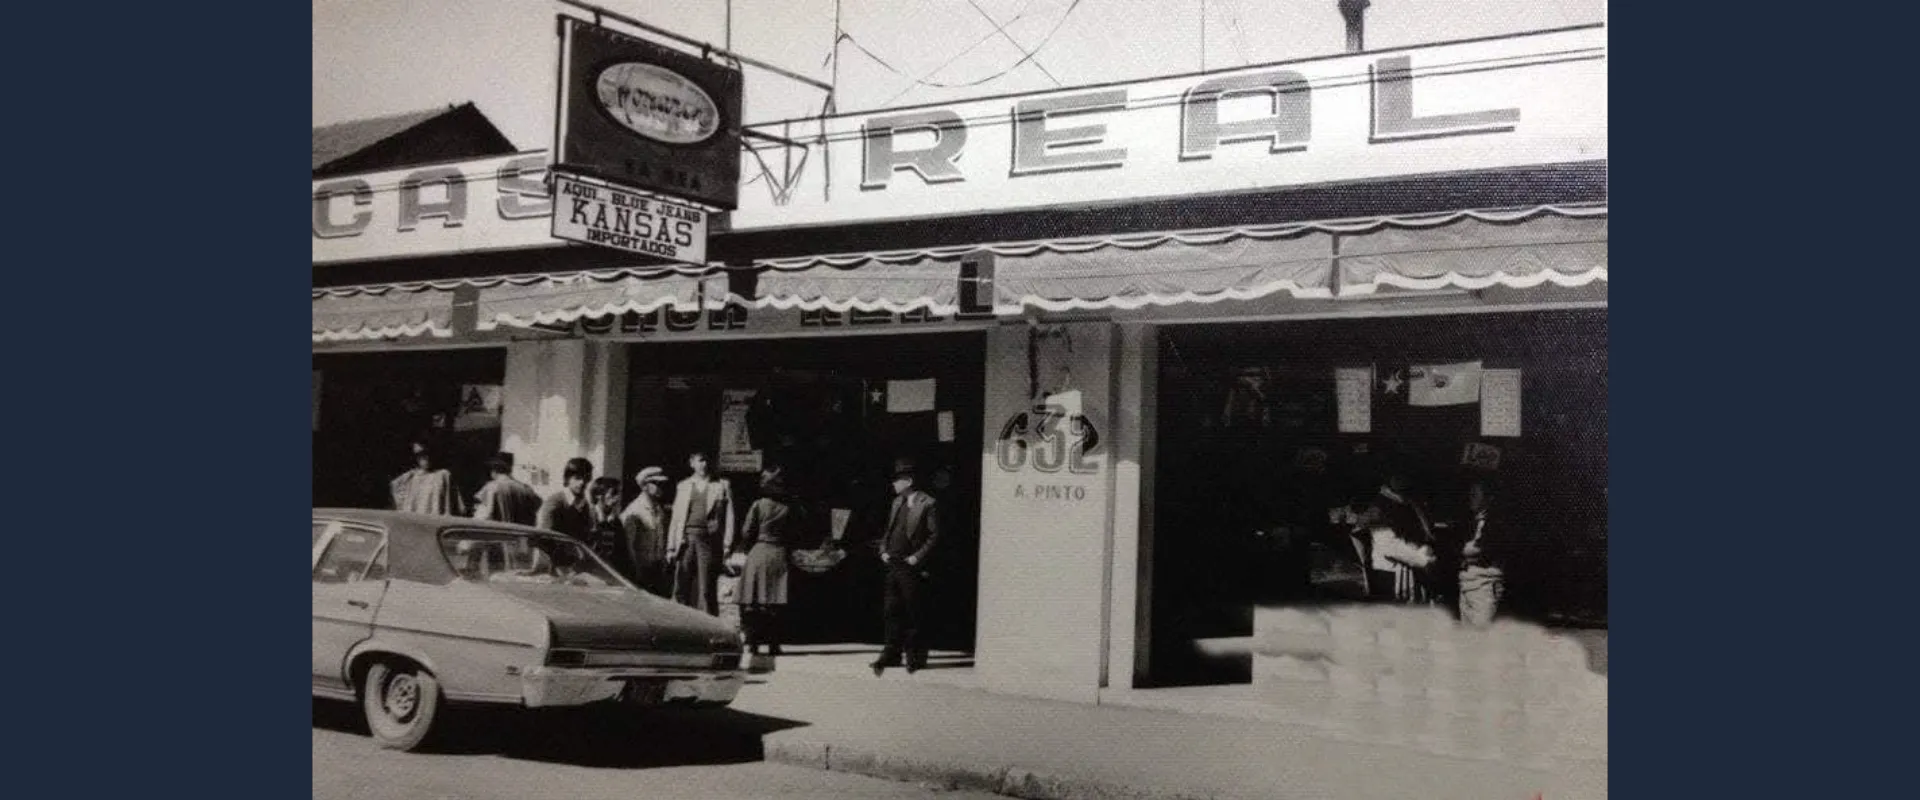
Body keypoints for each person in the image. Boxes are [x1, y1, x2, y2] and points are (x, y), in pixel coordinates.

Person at [872, 459, 940, 676]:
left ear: (908, 481)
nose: (893, 484)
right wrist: (883, 549)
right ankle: (891, 654)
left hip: (911, 566)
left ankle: (916, 658)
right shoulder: (896, 502)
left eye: (897, 480)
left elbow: (934, 535)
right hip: (893, 563)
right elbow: (889, 530)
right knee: (891, 611)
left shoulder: (928, 503)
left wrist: (917, 557)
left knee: (914, 612)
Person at [734, 464, 800, 656]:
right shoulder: (787, 508)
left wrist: (743, 546)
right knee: (775, 602)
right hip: (778, 553)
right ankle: (773, 644)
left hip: (759, 552)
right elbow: (794, 532)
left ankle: (753, 643)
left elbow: (747, 531)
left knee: (753, 602)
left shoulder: (758, 505)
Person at [668, 451, 736, 615]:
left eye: (706, 460)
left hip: (708, 540)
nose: (704, 464)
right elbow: (676, 518)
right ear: (692, 463)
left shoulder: (721, 485)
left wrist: (727, 544)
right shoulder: (683, 486)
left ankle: (709, 624)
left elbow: (730, 517)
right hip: (686, 539)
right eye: (700, 460)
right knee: (681, 584)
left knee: (706, 587)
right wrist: (670, 546)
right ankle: (679, 623)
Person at [1368, 473, 1441, 605]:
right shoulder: (1378, 506)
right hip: (1393, 572)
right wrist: (1423, 559)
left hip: (1416, 570)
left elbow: (1426, 532)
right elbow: (1388, 545)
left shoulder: (1410, 502)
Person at [1456, 480, 1508, 627]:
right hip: (1466, 585)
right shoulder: (1470, 522)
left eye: (1475, 494)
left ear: (1488, 498)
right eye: (1470, 494)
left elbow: (1483, 551)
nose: (1470, 498)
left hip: (1484, 587)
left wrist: (1462, 551)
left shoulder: (1498, 523)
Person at [619, 466, 673, 594]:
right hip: (641, 570)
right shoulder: (635, 511)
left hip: (657, 568)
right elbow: (629, 545)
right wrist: (635, 571)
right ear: (644, 486)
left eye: (661, 484)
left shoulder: (658, 509)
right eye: (656, 483)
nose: (660, 487)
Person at [390, 440, 467, 516]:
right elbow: (397, 497)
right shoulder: (410, 477)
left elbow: (458, 508)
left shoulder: (444, 475)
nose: (425, 458)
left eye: (427, 453)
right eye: (419, 455)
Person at [472, 452, 541, 526]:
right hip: (521, 535)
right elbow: (538, 504)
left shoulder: (491, 487)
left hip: (499, 534)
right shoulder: (527, 489)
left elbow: (482, 517)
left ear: (494, 470)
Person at [537, 458, 595, 542]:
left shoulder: (584, 505)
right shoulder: (555, 503)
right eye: (577, 478)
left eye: (586, 478)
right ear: (567, 479)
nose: (582, 482)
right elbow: (544, 537)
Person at [587, 477, 628, 576]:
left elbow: (622, 551)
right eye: (613, 493)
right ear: (598, 495)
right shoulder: (588, 517)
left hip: (610, 573)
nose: (617, 498)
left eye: (618, 493)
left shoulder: (616, 522)